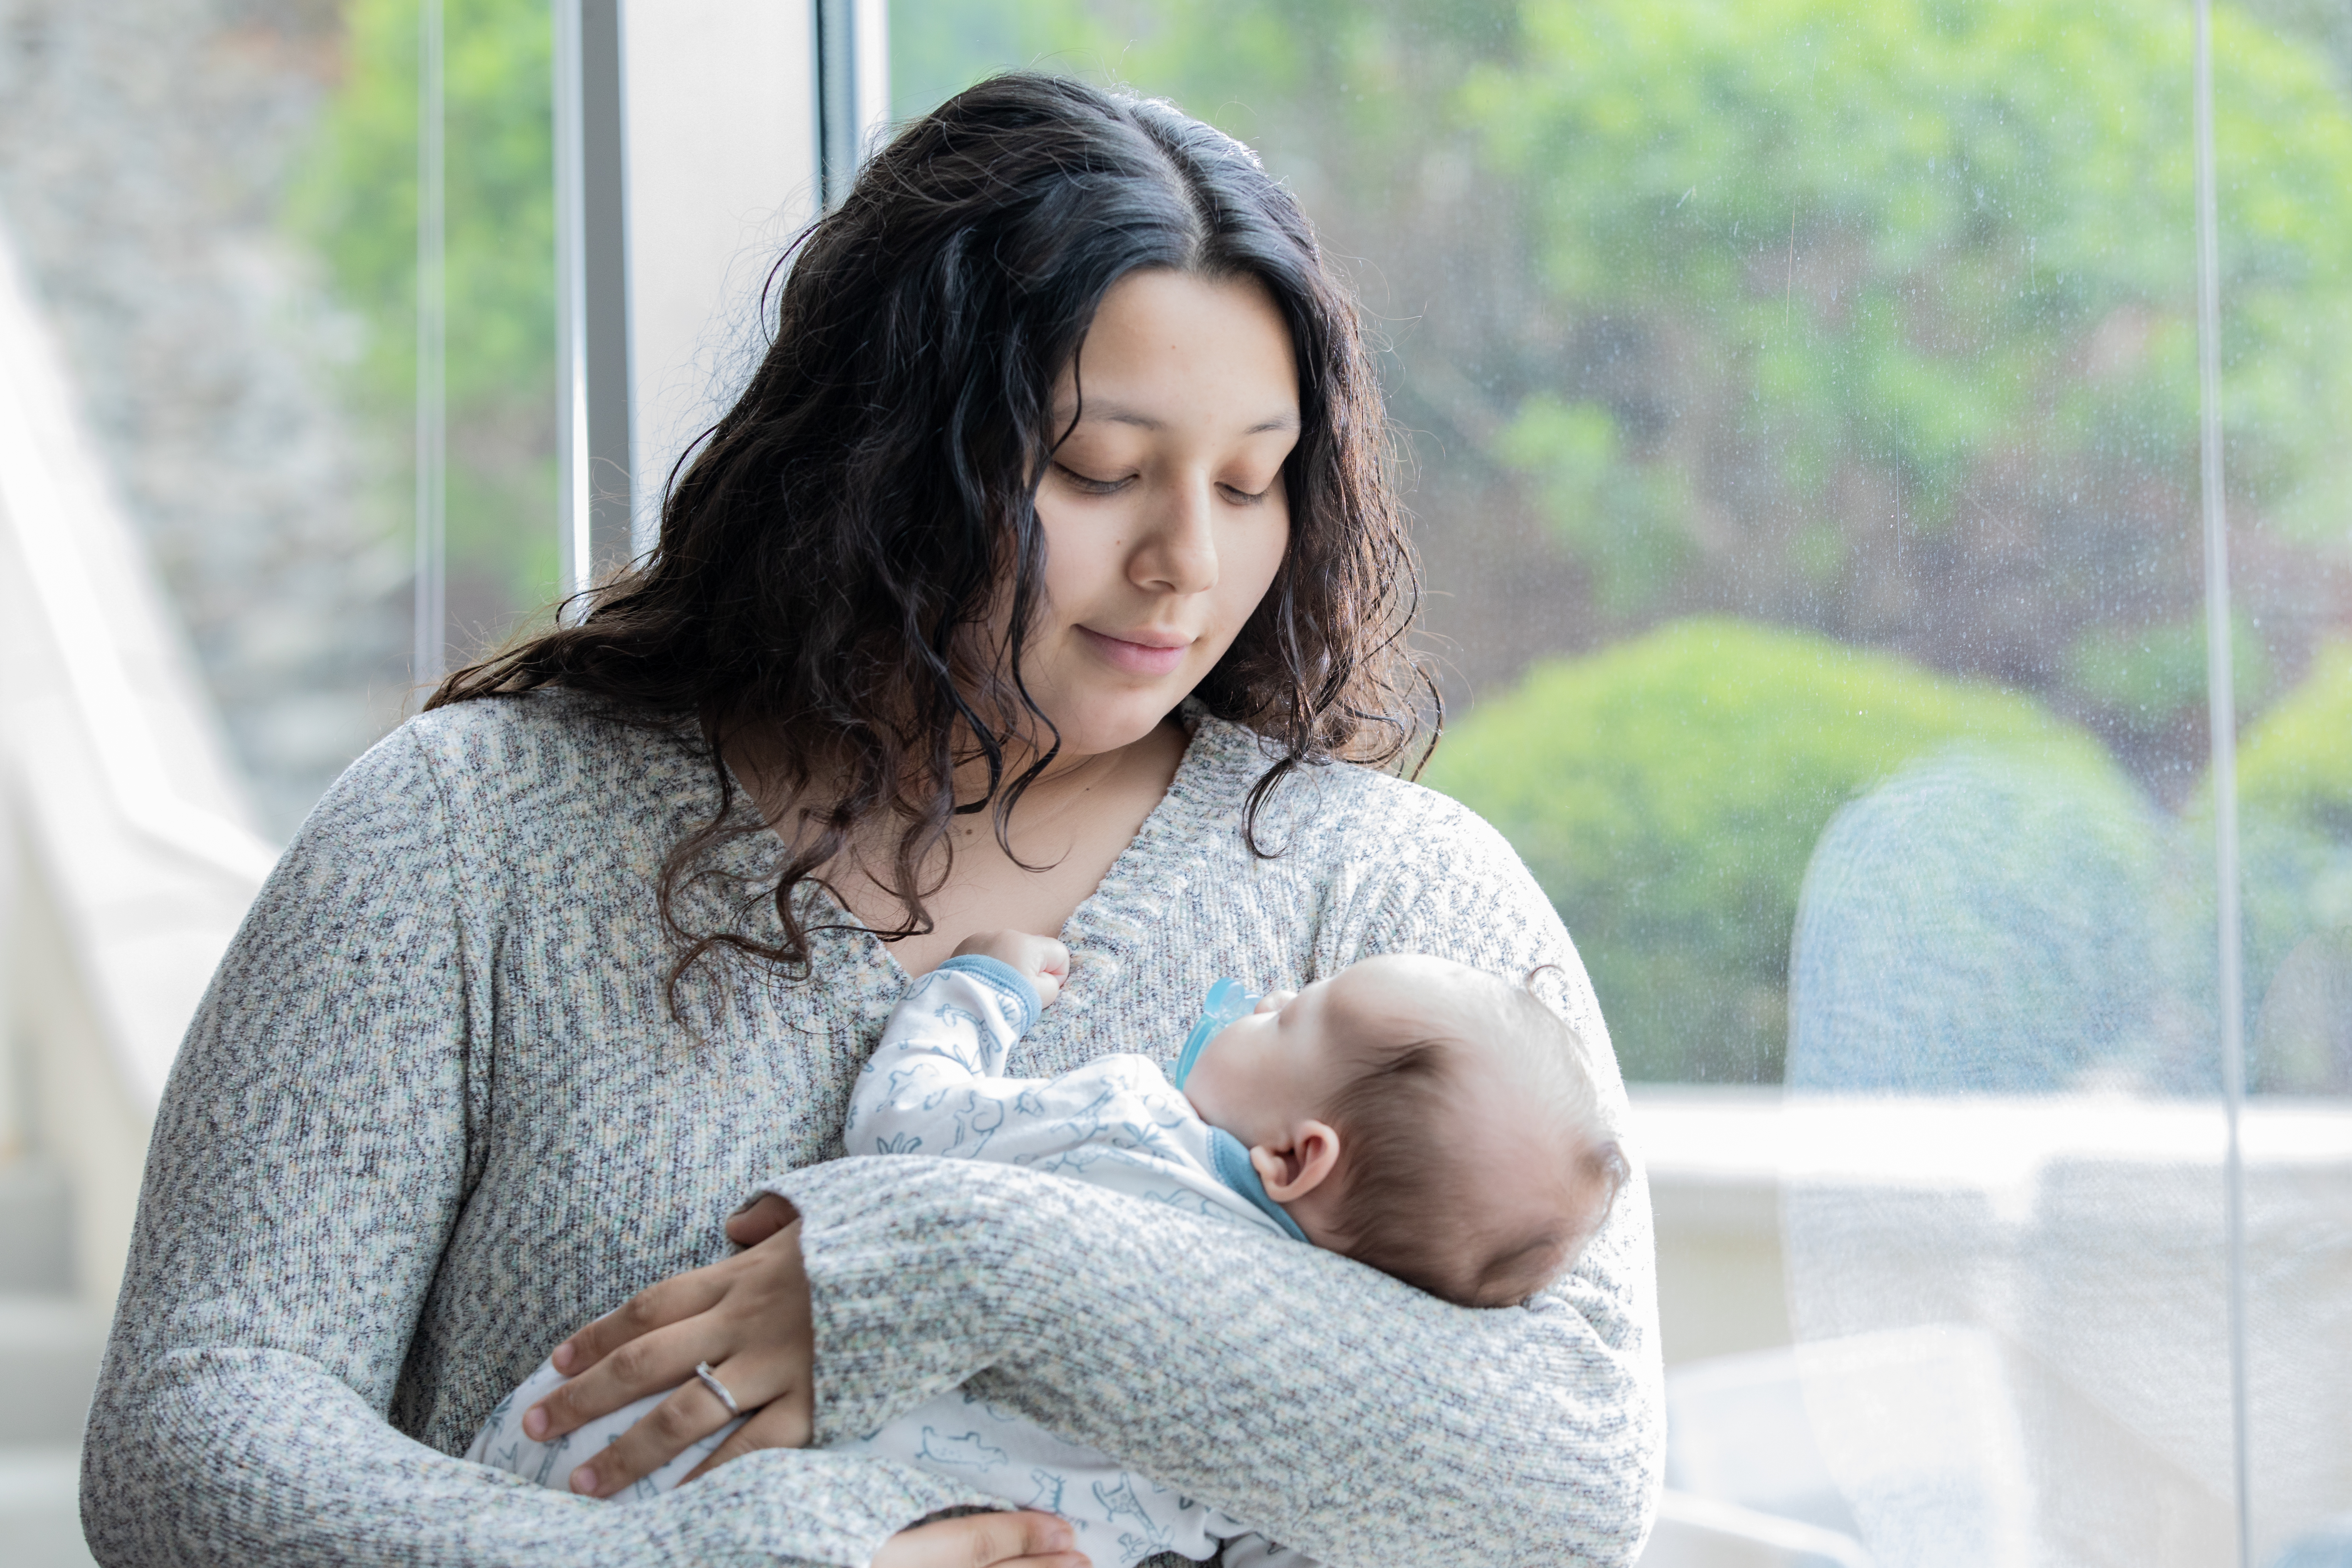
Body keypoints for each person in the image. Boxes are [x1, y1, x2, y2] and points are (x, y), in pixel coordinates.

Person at [81, 73, 1661, 1568]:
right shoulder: (467, 834)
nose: (1190, 561)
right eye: (1103, 471)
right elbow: (192, 1437)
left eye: (1253, 483)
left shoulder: (1383, 896)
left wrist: (976, 1267)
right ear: (889, 456)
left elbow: (1567, 1481)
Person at [470, 931, 1631, 1568]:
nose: (1265, 994)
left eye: (1288, 1015)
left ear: (1294, 1158)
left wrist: (977, 994)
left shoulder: (1124, 1125)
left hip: (671, 1456)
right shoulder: (1315, 1406)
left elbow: (906, 1122)